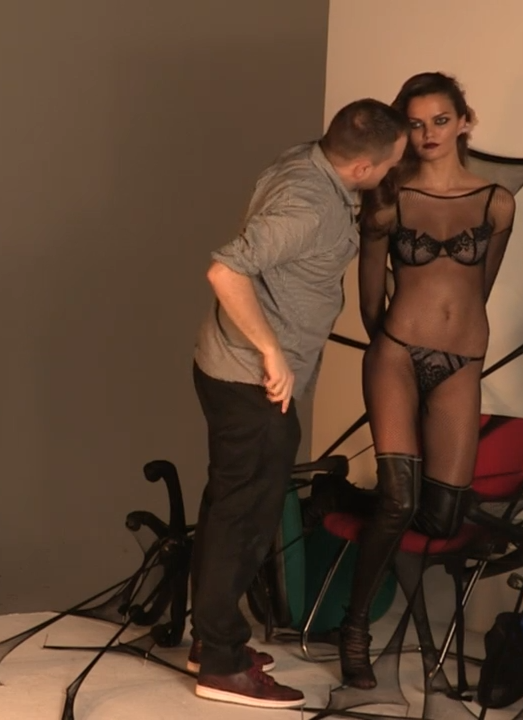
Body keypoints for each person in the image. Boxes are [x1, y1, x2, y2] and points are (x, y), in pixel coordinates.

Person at [189, 99, 409, 709]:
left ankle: (210, 643)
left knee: (229, 510)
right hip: (251, 383)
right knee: (244, 521)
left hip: (229, 371)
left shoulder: (306, 162)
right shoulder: (309, 205)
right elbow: (225, 272)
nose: (393, 171)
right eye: (390, 163)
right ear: (362, 168)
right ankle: (222, 666)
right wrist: (272, 352)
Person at [338, 72, 517, 690]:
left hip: (461, 362)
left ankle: (343, 499)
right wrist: (389, 354)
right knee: (399, 501)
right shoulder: (390, 199)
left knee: (441, 517)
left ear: (465, 121)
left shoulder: (497, 202)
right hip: (395, 353)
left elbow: (479, 290)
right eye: (415, 124)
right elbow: (369, 298)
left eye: (441, 120)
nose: (429, 133)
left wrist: (456, 342)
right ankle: (355, 630)